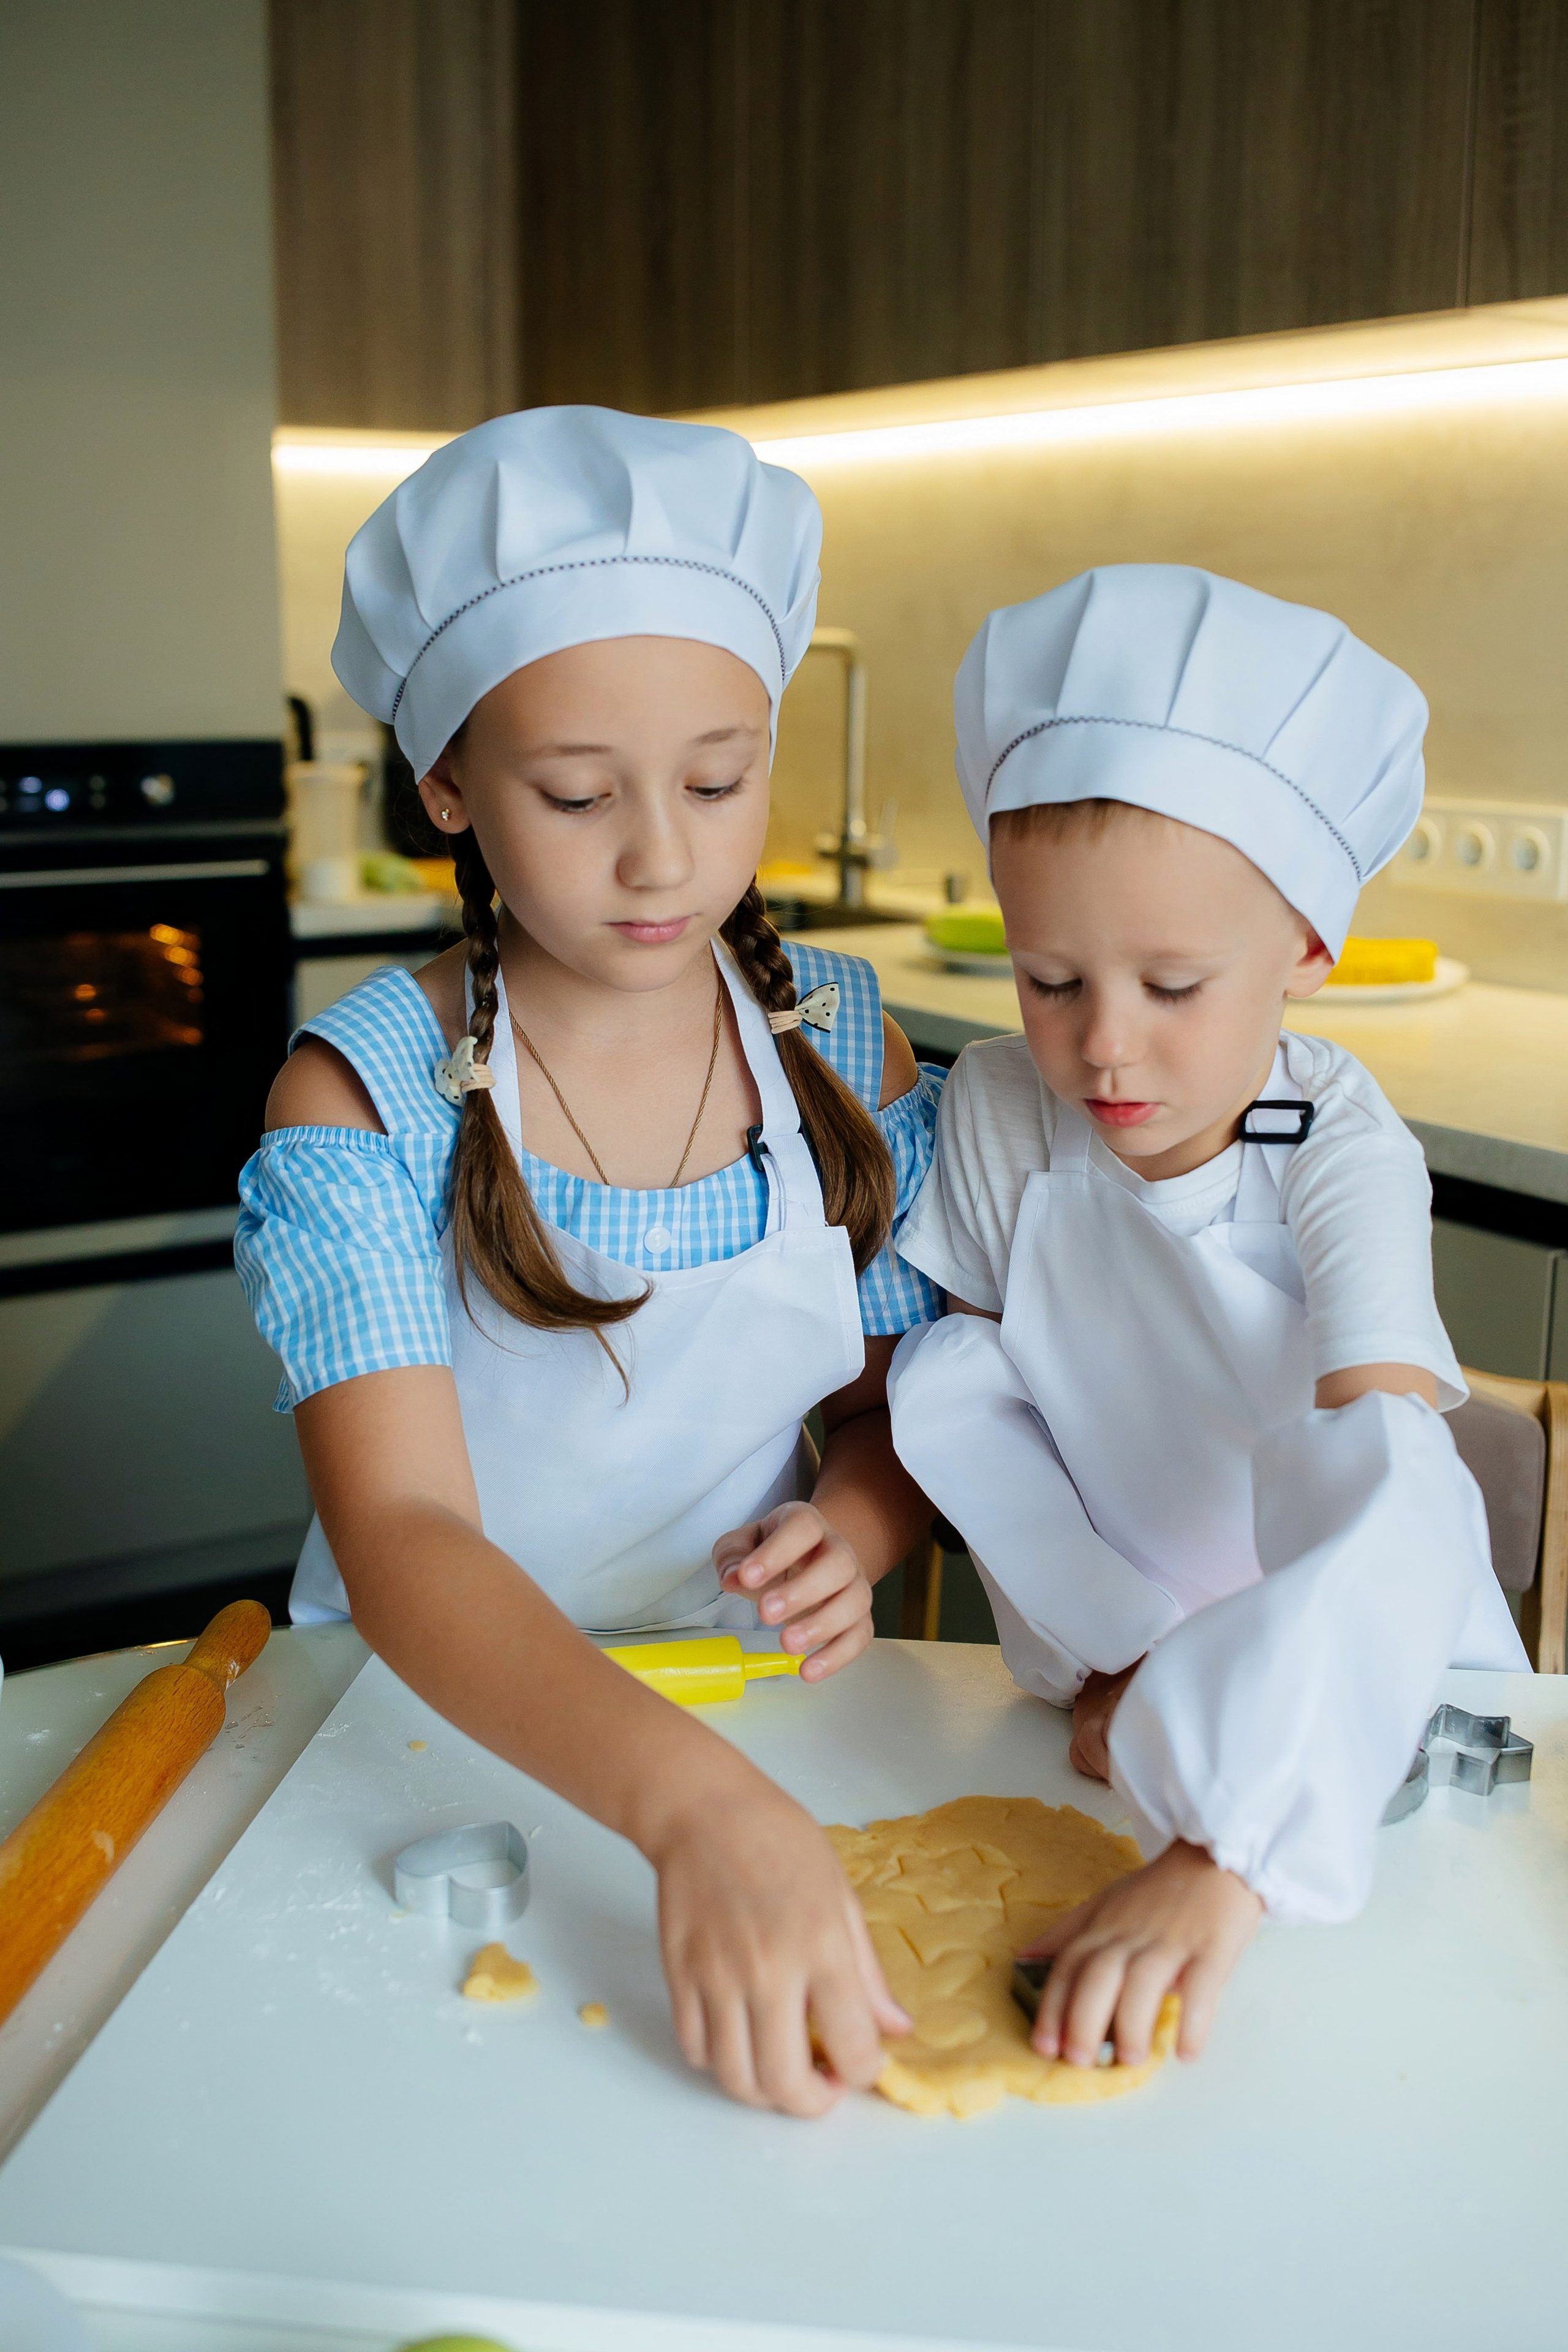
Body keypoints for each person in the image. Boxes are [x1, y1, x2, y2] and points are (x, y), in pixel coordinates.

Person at [236, 407, 946, 2116]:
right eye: (576, 794)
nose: (665, 856)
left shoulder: (846, 1041)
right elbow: (404, 1538)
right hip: (417, 1736)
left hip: (763, 1730)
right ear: (449, 786)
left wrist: (858, 1525)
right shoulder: (363, 1097)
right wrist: (688, 1806)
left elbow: (899, 1404)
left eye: (720, 780)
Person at [889, 564, 1527, 2074]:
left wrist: (1231, 1839)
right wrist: (1122, 1660)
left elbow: (1386, 1477)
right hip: (1109, 1708)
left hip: (1363, 1714)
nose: (1100, 1046)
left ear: (1307, 947)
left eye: (1172, 983)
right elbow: (974, 1412)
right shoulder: (994, 1111)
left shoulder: (1342, 1153)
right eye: (1048, 978)